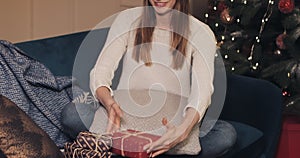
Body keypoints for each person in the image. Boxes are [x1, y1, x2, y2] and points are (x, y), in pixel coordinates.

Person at [63, 0, 237, 157]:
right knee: (72, 114)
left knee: (225, 134)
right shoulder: (127, 19)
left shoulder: (200, 32)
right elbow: (100, 71)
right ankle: (145, 148)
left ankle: (136, 147)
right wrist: (109, 103)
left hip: (172, 121)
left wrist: (182, 132)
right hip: (126, 115)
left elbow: (203, 90)